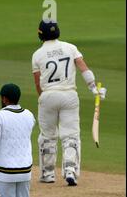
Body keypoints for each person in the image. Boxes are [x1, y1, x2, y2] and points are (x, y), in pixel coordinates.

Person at [32, 20, 107, 186]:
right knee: (71, 135)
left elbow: (38, 83)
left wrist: (43, 99)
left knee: (48, 135)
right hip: (69, 95)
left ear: (40, 34)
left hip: (48, 96)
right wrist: (93, 88)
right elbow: (83, 68)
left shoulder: (37, 54)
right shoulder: (70, 47)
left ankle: (48, 173)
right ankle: (70, 170)